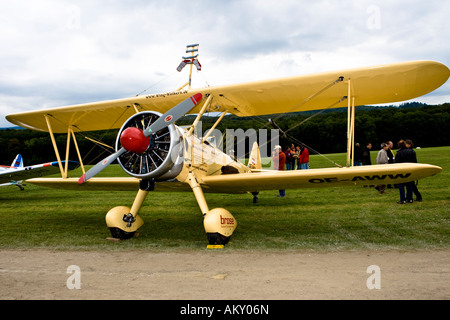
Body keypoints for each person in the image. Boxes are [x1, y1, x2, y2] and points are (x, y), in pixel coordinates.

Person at [395, 139, 417, 204]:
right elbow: (415, 161)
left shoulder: (399, 153)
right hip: (410, 169)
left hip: (401, 170)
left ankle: (403, 199)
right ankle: (410, 199)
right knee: (409, 184)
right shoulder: (411, 151)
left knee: (401, 185)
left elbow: (396, 163)